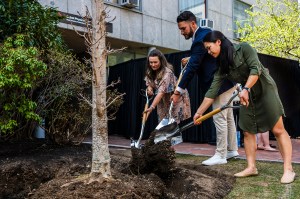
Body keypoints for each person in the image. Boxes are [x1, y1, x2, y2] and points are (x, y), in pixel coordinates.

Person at [193, 30, 295, 184]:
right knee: (247, 131)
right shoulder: (222, 65)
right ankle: (251, 167)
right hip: (246, 95)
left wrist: (246, 89)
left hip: (264, 90)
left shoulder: (244, 48)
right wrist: (199, 112)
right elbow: (213, 90)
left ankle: (288, 169)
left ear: (218, 42)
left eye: (209, 47)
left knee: (278, 129)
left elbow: (256, 69)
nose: (208, 52)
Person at [172, 11, 238, 166]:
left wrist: (178, 91)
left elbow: (194, 66)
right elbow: (204, 56)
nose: (182, 32)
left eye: (183, 28)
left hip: (219, 83)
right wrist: (191, 58)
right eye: (180, 29)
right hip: (229, 81)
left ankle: (221, 154)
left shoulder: (200, 38)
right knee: (228, 116)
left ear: (193, 23)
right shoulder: (205, 35)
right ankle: (232, 149)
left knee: (219, 118)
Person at [144, 49, 191, 124]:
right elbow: (149, 83)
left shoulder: (167, 73)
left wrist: (151, 107)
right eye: (151, 62)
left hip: (176, 99)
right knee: (163, 124)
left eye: (155, 62)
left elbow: (161, 93)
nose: (153, 65)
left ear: (161, 61)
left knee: (172, 126)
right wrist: (150, 89)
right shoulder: (150, 71)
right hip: (163, 101)